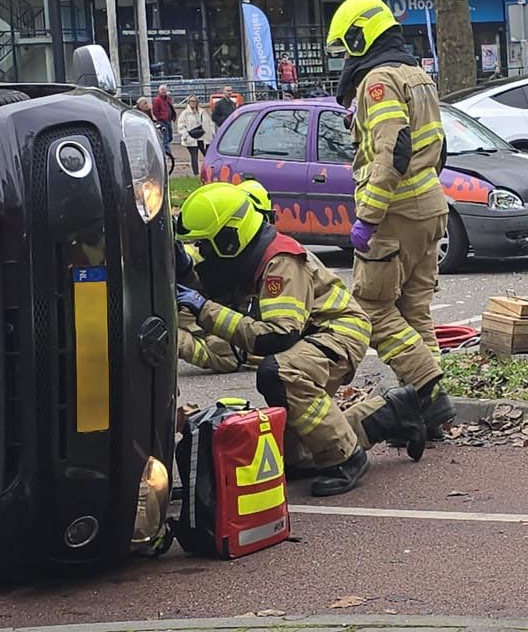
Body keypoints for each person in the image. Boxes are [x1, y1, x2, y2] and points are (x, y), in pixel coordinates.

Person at [172, 183, 425, 495]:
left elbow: (278, 336)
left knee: (279, 372)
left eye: (206, 246)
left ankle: (346, 459)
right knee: (300, 454)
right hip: (314, 335)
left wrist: (202, 309)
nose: (203, 253)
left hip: (338, 331)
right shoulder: (250, 254)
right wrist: (185, 272)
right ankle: (391, 413)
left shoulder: (281, 262)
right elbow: (218, 289)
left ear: (229, 237)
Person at [327, 0, 453, 434]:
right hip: (431, 207)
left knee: (372, 311)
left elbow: (393, 149)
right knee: (416, 311)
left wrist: (370, 216)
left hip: (394, 214)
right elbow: (434, 145)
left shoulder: (377, 81)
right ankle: (427, 413)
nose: (345, 59)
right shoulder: (417, 75)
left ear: (361, 37)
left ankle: (429, 391)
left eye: (346, 48)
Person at [176, 94, 210, 175]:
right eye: (191, 101)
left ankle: (209, 171)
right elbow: (180, 126)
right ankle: (196, 174)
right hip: (191, 138)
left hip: (202, 137)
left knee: (208, 155)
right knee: (194, 157)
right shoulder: (185, 113)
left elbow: (208, 123)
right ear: (188, 102)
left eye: (194, 101)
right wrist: (186, 135)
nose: (192, 103)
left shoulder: (202, 112)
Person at [151, 83, 176, 149]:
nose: (163, 91)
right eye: (162, 89)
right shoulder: (157, 100)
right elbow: (155, 111)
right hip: (163, 121)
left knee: (170, 137)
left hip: (169, 120)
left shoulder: (168, 98)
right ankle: (167, 152)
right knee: (166, 138)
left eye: (164, 89)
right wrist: (160, 118)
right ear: (159, 91)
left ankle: (166, 150)